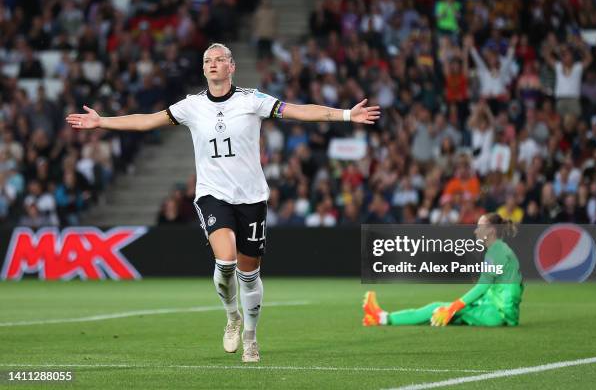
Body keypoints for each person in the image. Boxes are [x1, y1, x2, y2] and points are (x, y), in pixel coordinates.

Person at [66, 43, 380, 362]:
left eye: (219, 60)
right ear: (203, 69)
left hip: (252, 197)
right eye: (208, 61)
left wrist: (345, 115)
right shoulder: (191, 106)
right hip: (212, 194)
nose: (213, 64)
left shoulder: (252, 100)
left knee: (249, 275)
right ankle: (232, 317)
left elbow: (298, 110)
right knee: (226, 261)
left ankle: (251, 337)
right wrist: (102, 121)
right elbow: (147, 120)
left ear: (232, 67)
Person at [362, 213, 523, 327]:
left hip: (496, 315)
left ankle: (382, 318)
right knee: (442, 311)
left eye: (480, 227)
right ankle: (381, 317)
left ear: (491, 231)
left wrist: (453, 307)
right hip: (497, 311)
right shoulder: (500, 250)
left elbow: (482, 287)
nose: (475, 231)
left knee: (439, 308)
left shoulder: (497, 252)